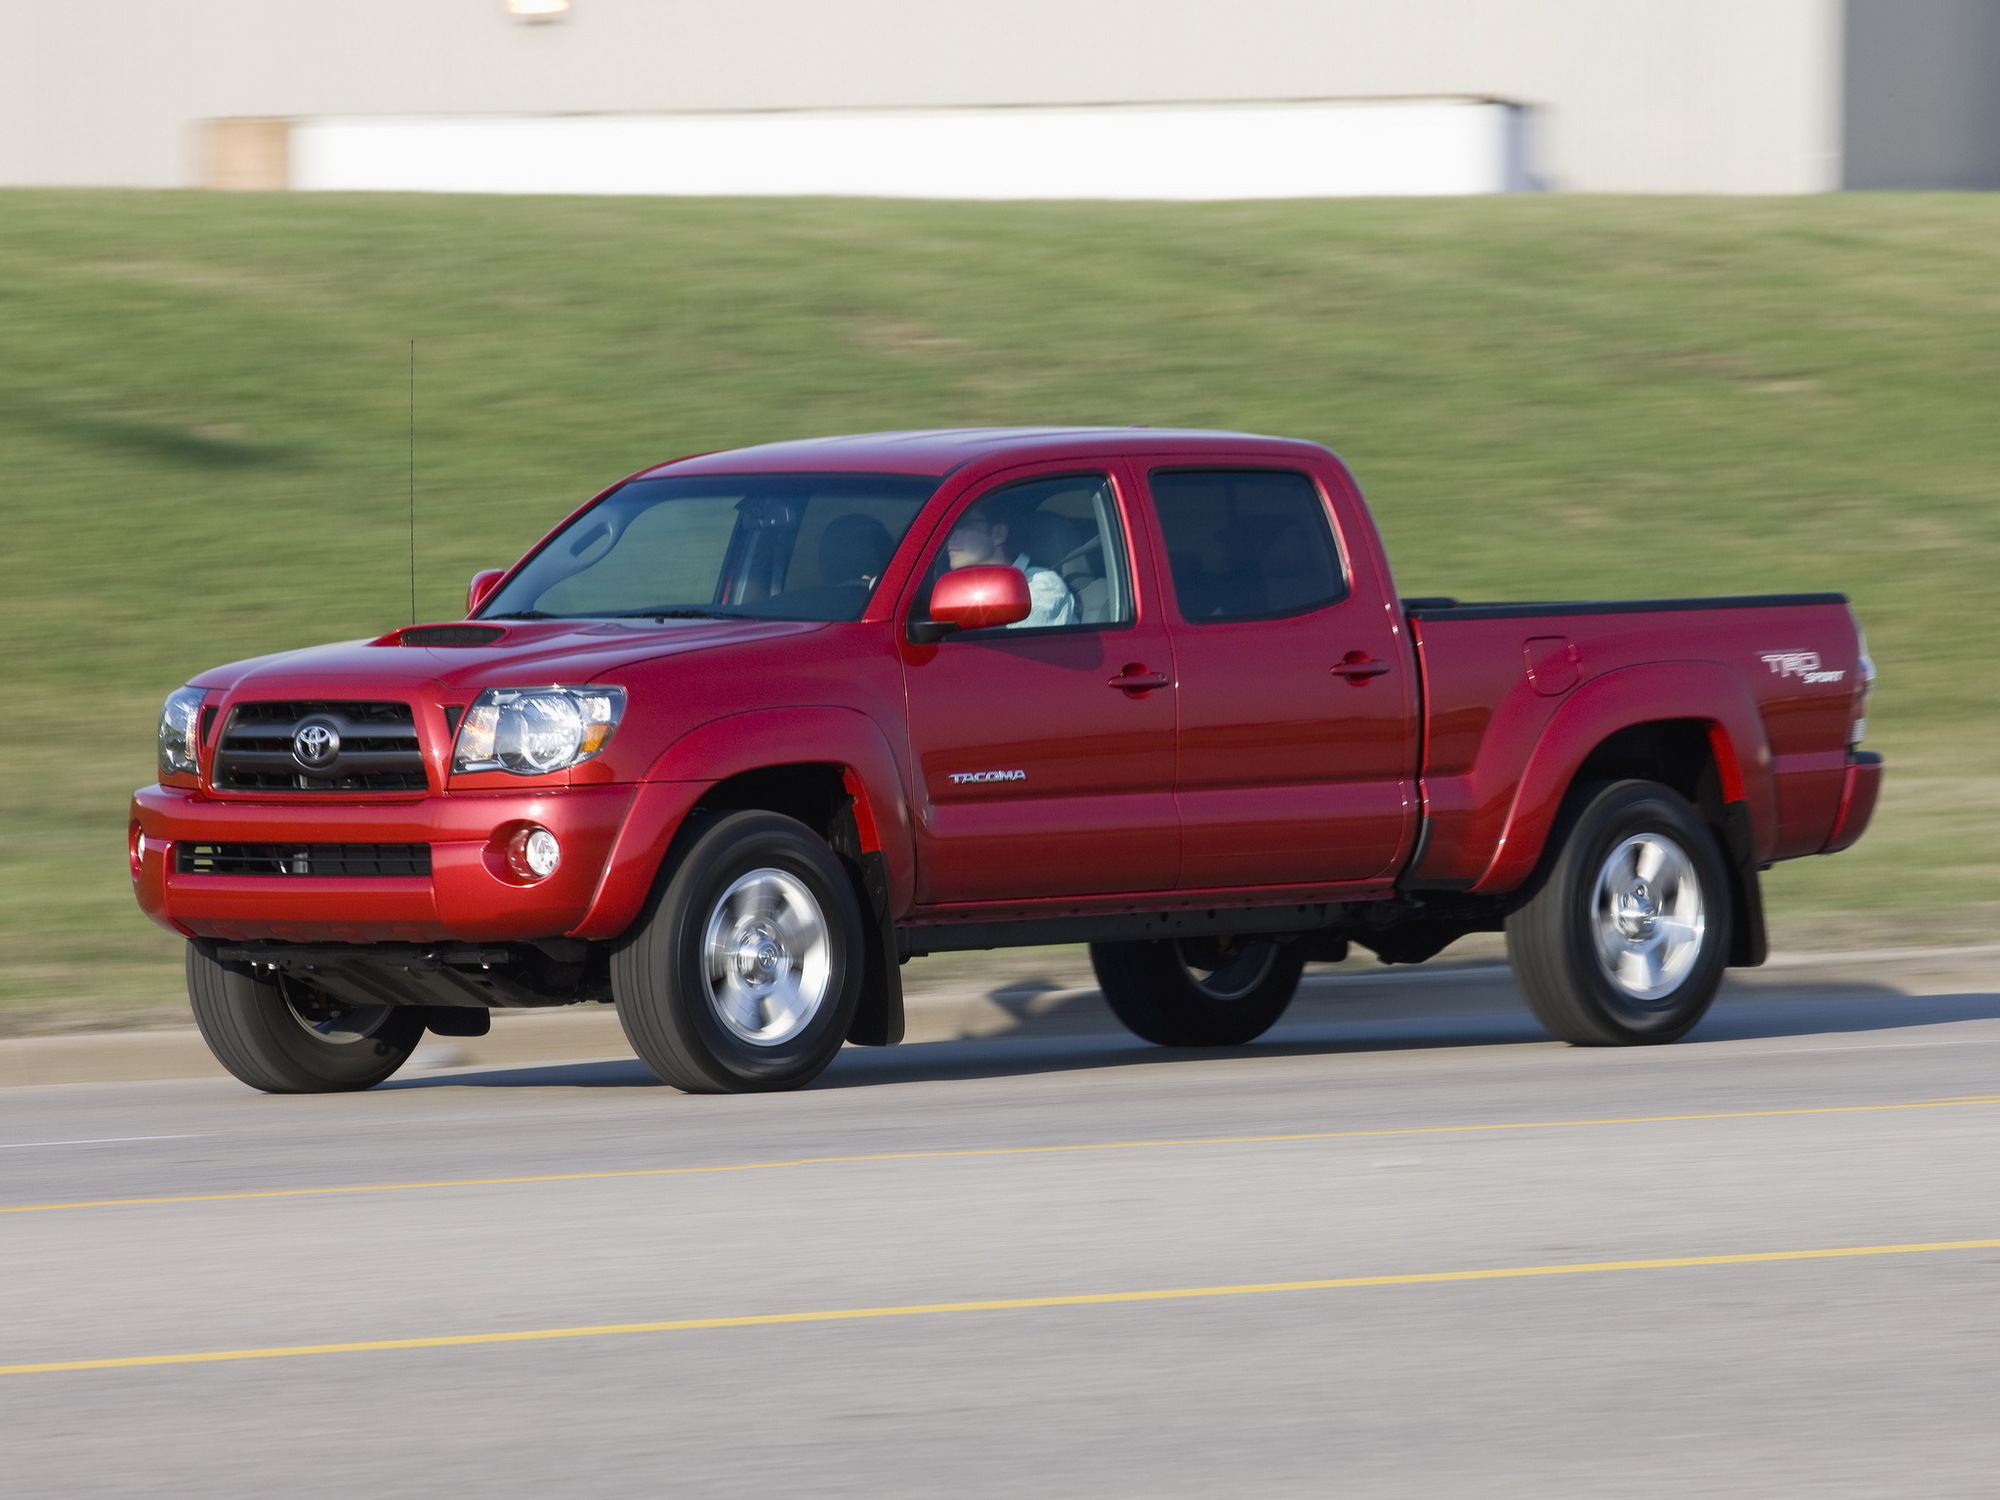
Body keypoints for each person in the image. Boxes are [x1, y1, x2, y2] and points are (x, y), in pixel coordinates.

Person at [943, 506, 1075, 629]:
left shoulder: (1042, 585)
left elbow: (1002, 644)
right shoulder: (968, 590)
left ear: (998, 533)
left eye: (965, 524)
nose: (950, 536)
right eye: (949, 527)